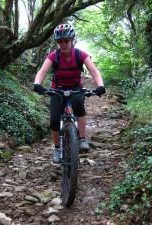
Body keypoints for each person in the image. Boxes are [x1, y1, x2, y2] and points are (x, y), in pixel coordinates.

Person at [33, 23, 106, 163]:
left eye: (66, 40)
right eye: (60, 41)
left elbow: (94, 71)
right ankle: (56, 148)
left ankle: (82, 139)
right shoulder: (54, 56)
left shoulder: (80, 55)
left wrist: (100, 85)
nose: (63, 44)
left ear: (72, 40)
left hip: (75, 87)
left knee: (79, 106)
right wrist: (37, 84)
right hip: (58, 89)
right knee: (54, 119)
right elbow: (42, 72)